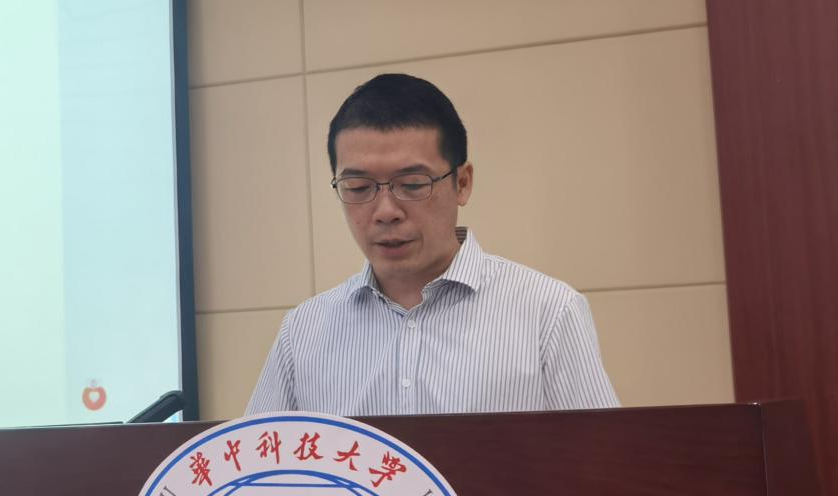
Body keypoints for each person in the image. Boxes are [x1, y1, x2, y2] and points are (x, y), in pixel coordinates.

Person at [246, 73, 618, 416]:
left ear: (462, 183)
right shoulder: (304, 331)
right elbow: (253, 460)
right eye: (358, 188)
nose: (386, 212)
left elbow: (604, 458)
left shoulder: (548, 312)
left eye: (412, 185)